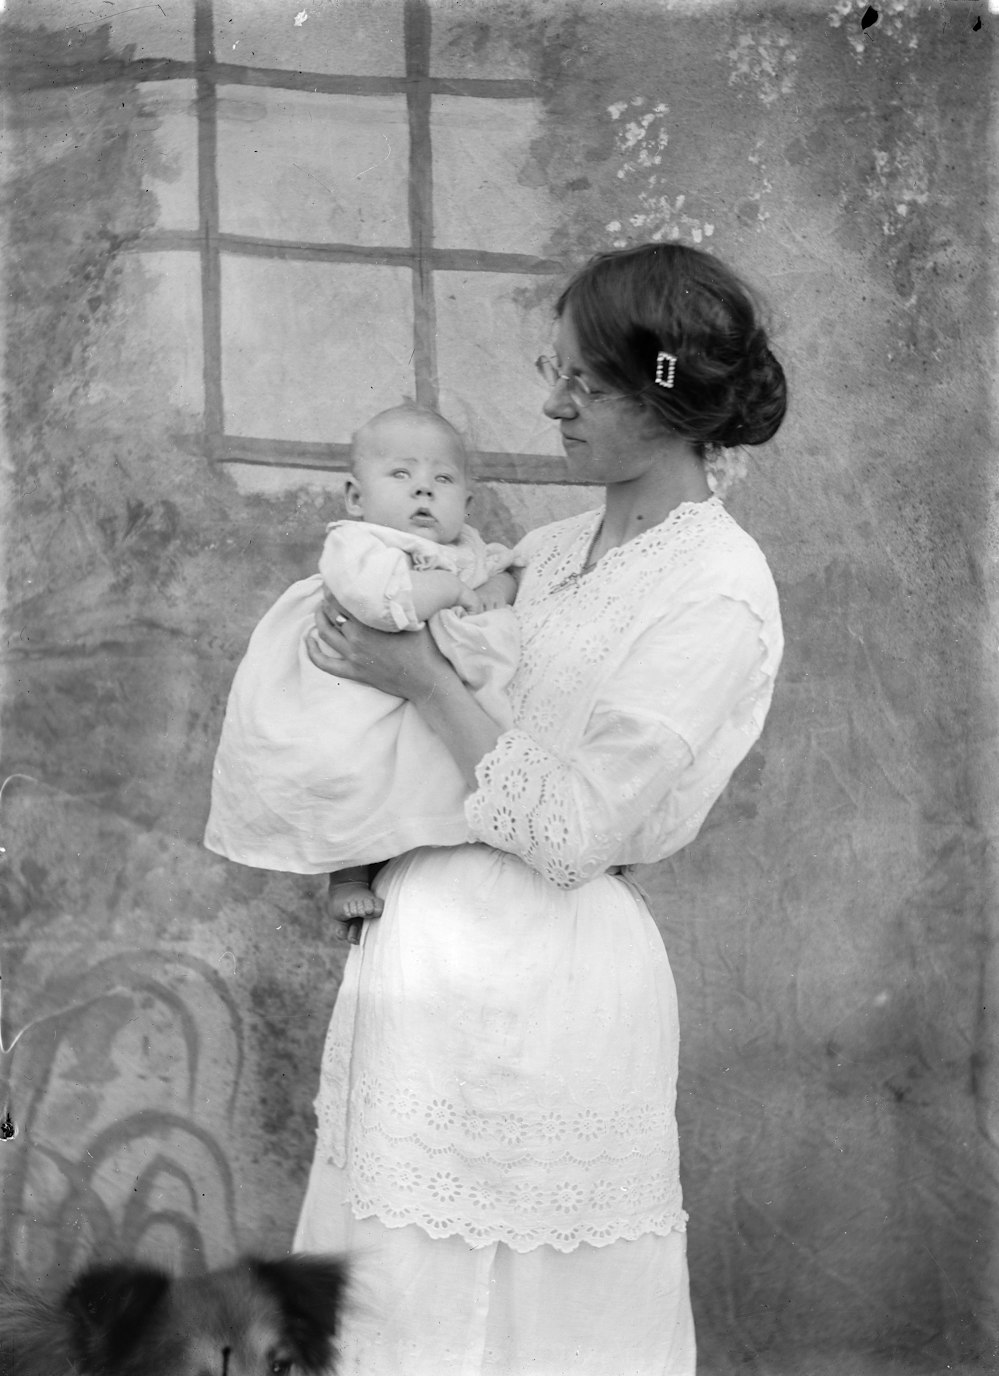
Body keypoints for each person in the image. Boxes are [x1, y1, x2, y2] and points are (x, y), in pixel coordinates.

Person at [293, 242, 787, 1375]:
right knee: (397, 1303)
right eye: (548, 368)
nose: (550, 401)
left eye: (583, 380)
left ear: (663, 392)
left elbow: (571, 831)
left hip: (557, 980)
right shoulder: (551, 550)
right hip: (422, 965)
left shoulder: (715, 588)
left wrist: (420, 677)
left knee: (542, 1326)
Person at [204, 404, 520, 928]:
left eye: (442, 478)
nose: (423, 490)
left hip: (419, 689)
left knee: (425, 770)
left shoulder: (465, 548)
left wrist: (491, 589)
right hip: (353, 682)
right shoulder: (358, 544)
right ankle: (349, 874)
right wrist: (449, 589)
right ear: (356, 496)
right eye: (401, 474)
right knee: (350, 764)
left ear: (466, 504)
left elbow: (506, 571)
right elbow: (382, 603)